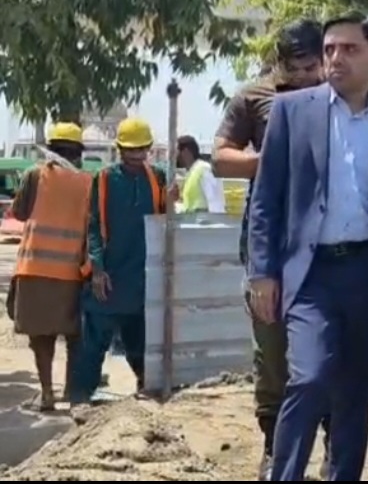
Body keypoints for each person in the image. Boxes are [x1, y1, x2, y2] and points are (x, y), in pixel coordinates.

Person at [247, 11, 368, 481]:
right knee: (310, 377)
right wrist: (262, 272)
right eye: (329, 50)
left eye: (349, 49)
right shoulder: (291, 112)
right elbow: (266, 199)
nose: (336, 58)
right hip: (311, 275)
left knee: (355, 394)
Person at [212, 19, 328, 481]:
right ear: (278, 63)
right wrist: (270, 159)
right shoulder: (255, 97)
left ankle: (333, 445)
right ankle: (273, 446)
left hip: (330, 240)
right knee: (273, 347)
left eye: (311, 67)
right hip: (272, 241)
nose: (303, 77)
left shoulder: (342, 95)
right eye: (293, 68)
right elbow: (221, 158)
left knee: (331, 350)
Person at [70, 118, 168, 406]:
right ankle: (80, 399)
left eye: (141, 149)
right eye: (130, 150)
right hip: (109, 277)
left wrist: (172, 202)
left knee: (141, 342)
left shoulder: (158, 178)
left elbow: (165, 223)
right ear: (120, 149)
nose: (136, 156)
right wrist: (97, 269)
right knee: (93, 345)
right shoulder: (104, 179)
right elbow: (93, 226)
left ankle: (148, 389)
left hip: (142, 277)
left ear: (149, 148)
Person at [6, 122, 92, 411]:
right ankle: (72, 391)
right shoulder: (87, 182)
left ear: (51, 150)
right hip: (72, 272)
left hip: (34, 268)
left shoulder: (35, 175)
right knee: (74, 336)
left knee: (41, 337)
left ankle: (46, 394)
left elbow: (19, 212)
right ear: (78, 153)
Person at [175, 135, 225, 213]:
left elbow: (216, 204)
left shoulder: (205, 169)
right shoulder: (191, 173)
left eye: (176, 152)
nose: (174, 156)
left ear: (185, 152)